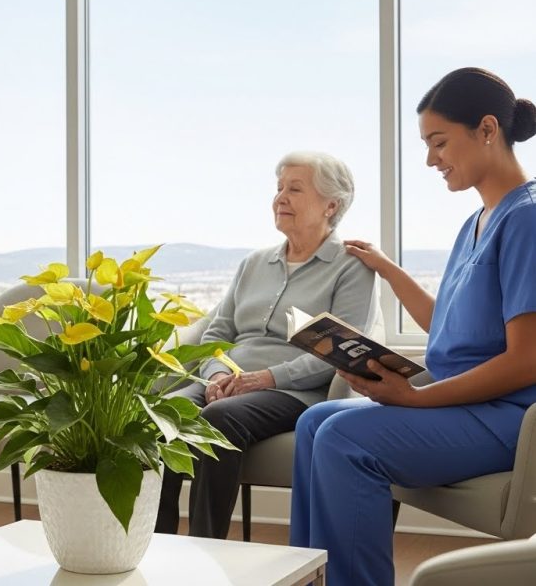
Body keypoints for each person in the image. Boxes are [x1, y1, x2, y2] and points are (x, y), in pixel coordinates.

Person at [289, 67, 536, 586]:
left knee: (341, 438)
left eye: (439, 143)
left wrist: (416, 399)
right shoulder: (476, 222)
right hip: (463, 405)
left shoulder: (527, 219)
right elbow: (445, 325)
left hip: (505, 417)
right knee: (314, 425)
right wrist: (386, 268)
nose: (431, 160)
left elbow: (526, 359)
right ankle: (313, 579)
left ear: (487, 130)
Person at [154, 151, 378, 539]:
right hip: (228, 381)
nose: (280, 198)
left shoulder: (351, 266)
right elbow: (216, 332)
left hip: (295, 391)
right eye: (278, 189)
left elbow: (341, 350)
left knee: (218, 420)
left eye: (294, 189)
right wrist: (219, 371)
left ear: (331, 205)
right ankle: (155, 547)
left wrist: (265, 379)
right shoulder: (254, 263)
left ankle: (205, 553)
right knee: (162, 415)